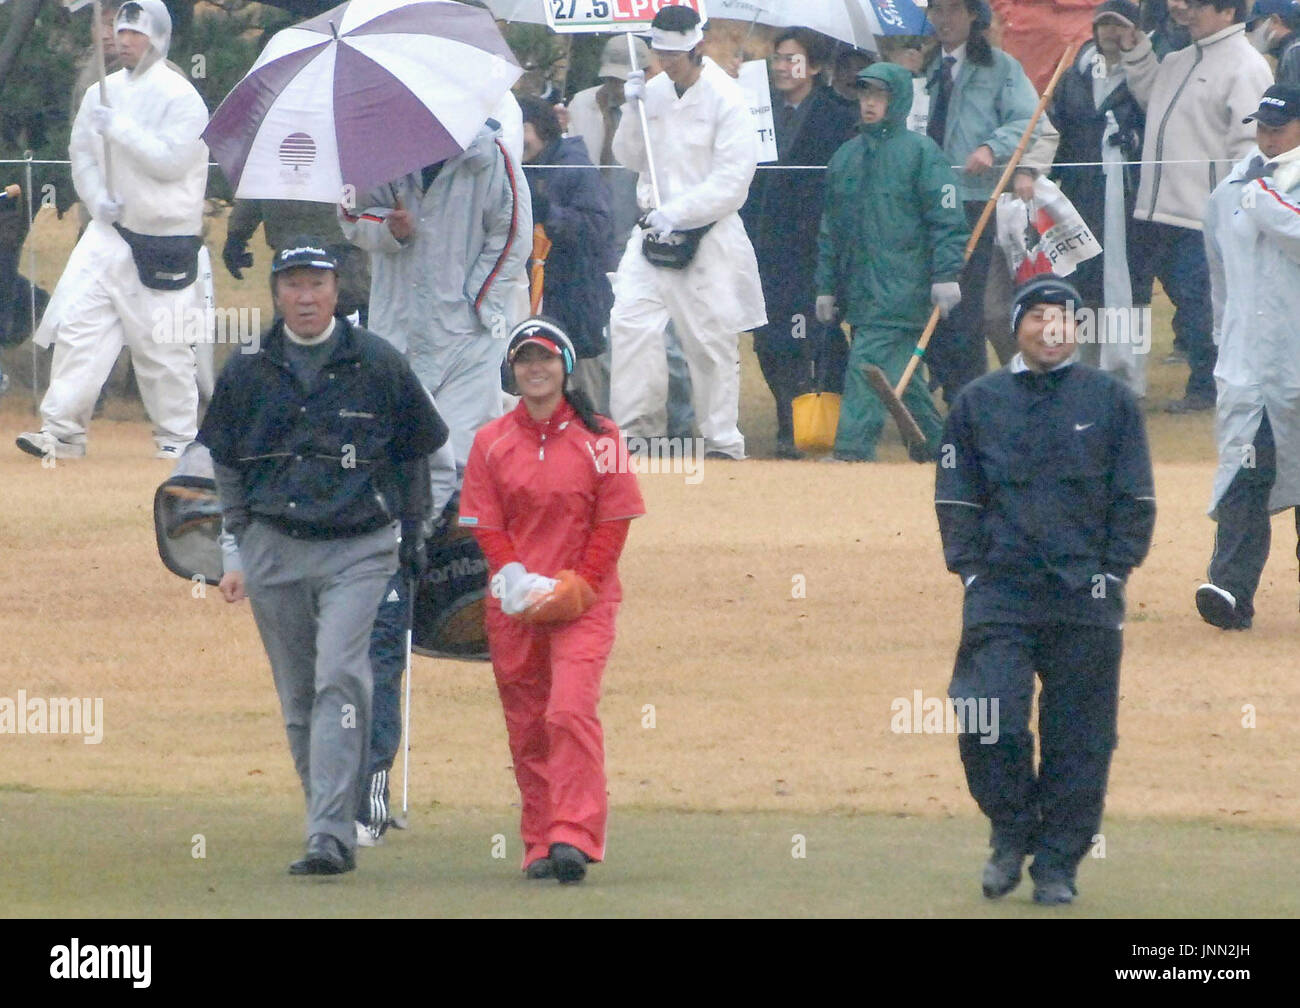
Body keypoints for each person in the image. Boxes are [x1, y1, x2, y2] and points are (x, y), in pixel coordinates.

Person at [201, 241, 448, 875]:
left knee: (341, 679)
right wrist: (240, 542)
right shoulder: (246, 367)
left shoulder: (378, 362)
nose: (305, 297)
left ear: (337, 290)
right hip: (274, 549)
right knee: (299, 698)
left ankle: (330, 839)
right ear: (276, 292)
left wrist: (414, 540)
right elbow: (225, 466)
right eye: (292, 285)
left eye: (317, 284)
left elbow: (417, 453)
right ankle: (328, 820)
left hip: (359, 548)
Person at [935, 276, 1156, 905]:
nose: (1051, 328)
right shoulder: (978, 402)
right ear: (1018, 325)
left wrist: (1112, 573)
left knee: (1081, 739)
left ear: (1078, 329)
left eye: (1064, 318)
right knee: (988, 718)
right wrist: (971, 571)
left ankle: (1057, 862)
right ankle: (1011, 830)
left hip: (1085, 596)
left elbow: (1135, 499)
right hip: (1000, 593)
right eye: (1038, 317)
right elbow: (956, 498)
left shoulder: (1111, 401)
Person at [459, 317, 644, 883]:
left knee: (568, 710)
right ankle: (540, 839)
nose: (535, 369)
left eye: (544, 358)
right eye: (524, 360)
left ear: (565, 364)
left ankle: (575, 832)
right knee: (528, 723)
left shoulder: (603, 436)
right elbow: (483, 521)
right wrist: (512, 574)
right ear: (512, 371)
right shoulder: (490, 442)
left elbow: (613, 520)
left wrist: (581, 585)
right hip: (514, 605)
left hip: (583, 602)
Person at [18, 0, 206, 462]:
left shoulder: (181, 97)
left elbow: (171, 161)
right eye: (119, 32)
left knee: (163, 347)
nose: (122, 42)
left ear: (158, 38)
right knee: (79, 330)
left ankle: (177, 440)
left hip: (162, 242)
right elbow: (80, 151)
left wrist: (118, 127)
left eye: (135, 34)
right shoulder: (99, 92)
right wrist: (96, 195)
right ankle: (62, 430)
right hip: (107, 235)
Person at [339, 118, 532, 493]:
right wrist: (387, 228)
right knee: (400, 452)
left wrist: (478, 300)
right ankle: (408, 543)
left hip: (469, 336)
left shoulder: (491, 156)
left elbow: (513, 233)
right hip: (397, 330)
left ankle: (456, 543)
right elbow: (349, 215)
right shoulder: (374, 152)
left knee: (464, 456)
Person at [608, 5, 766, 460]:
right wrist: (631, 110)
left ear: (697, 46)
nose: (666, 61)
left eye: (675, 54)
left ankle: (721, 439)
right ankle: (637, 430)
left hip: (707, 236)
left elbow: (733, 181)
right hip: (651, 232)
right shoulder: (652, 91)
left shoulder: (727, 98)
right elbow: (629, 157)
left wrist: (680, 212)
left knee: (709, 339)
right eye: (660, 52)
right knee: (630, 324)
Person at [1121, 0, 1272, 413]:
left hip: (1203, 215)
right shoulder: (1176, 59)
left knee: (1202, 304)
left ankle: (1209, 387)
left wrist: (1231, 208)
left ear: (1229, 12)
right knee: (1187, 303)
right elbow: (1153, 98)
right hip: (1157, 209)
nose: (1184, 9)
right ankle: (1205, 380)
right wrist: (1136, 52)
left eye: (1199, 5)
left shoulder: (1247, 65)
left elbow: (1250, 145)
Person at [814, 64, 968, 463]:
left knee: (866, 364)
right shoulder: (845, 157)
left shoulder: (921, 153)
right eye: (864, 94)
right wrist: (826, 285)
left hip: (906, 287)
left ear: (896, 99)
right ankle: (940, 450)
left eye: (878, 96)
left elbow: (947, 219)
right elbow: (831, 229)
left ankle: (850, 450)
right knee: (902, 378)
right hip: (862, 290)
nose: (868, 103)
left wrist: (946, 275)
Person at [1196, 84, 1300, 629]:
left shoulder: (1255, 190)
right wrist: (1223, 342)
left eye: (1279, 128)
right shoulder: (1230, 188)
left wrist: (1261, 198)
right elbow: (1219, 277)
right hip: (1246, 367)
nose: (1266, 138)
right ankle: (1230, 590)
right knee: (1245, 473)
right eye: (1261, 127)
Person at [921, 0, 1050, 407]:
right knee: (930, 304)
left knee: (964, 306)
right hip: (924, 201)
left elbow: (1028, 121)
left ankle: (968, 396)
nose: (943, 19)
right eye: (936, 10)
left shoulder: (1001, 67)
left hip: (973, 200)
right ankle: (945, 384)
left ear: (973, 16)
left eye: (952, 10)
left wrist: (991, 148)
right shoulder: (923, 70)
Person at [565, 35, 694, 433]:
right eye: (610, 78)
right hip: (592, 239)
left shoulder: (659, 106)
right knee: (604, 339)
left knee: (667, 340)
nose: (615, 87)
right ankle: (607, 428)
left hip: (645, 235)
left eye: (623, 79)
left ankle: (683, 427)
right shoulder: (581, 105)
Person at [741, 28, 859, 460]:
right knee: (768, 338)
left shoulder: (837, 114)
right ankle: (786, 416)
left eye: (791, 58)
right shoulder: (756, 111)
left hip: (816, 242)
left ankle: (819, 420)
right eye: (776, 58)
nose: (781, 67)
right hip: (764, 241)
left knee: (818, 333)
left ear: (813, 66)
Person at [1049, 0, 1149, 396]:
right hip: (1083, 193)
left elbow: (1153, 120)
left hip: (1127, 196)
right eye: (1103, 24)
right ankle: (1085, 368)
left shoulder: (1144, 74)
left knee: (1131, 282)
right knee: (1085, 278)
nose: (1110, 32)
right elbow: (1059, 131)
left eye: (1118, 24)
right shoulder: (1073, 75)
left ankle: (1128, 375)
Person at [519, 97, 617, 369]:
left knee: (581, 395)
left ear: (541, 128)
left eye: (522, 129)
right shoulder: (517, 168)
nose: (518, 139)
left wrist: (549, 213)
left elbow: (598, 229)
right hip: (533, 299)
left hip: (576, 302)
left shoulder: (575, 166)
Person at [223, 199, 370, 323]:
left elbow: (258, 182)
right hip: (301, 248)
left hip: (336, 248)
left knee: (348, 323)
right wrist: (236, 236)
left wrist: (237, 235)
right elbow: (258, 182)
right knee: (294, 325)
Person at [1247, 0, 1300, 82]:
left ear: (1275, 20)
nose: (1253, 33)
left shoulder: (1294, 53)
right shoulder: (1290, 50)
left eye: (1255, 26)